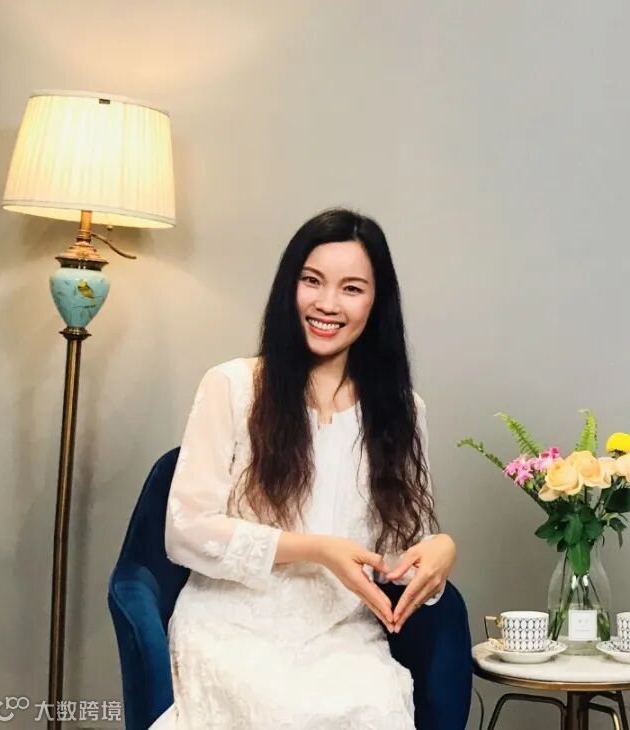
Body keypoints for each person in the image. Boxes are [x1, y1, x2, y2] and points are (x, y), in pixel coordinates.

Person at [154, 208, 457, 729]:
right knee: (285, 712)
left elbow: (396, 552)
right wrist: (316, 548)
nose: (327, 304)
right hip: (232, 629)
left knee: (375, 708)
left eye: (351, 288)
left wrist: (441, 548)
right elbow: (186, 532)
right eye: (312, 280)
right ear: (288, 286)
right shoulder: (232, 386)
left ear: (376, 302)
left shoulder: (403, 410)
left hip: (342, 636)